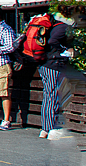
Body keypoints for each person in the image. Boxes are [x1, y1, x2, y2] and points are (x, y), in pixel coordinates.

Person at [14, 10, 73, 138]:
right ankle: (49, 128)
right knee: (52, 95)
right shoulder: (62, 27)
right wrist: (65, 49)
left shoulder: (52, 26)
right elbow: (52, 42)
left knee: (48, 95)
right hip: (54, 65)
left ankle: (46, 128)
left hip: (44, 64)